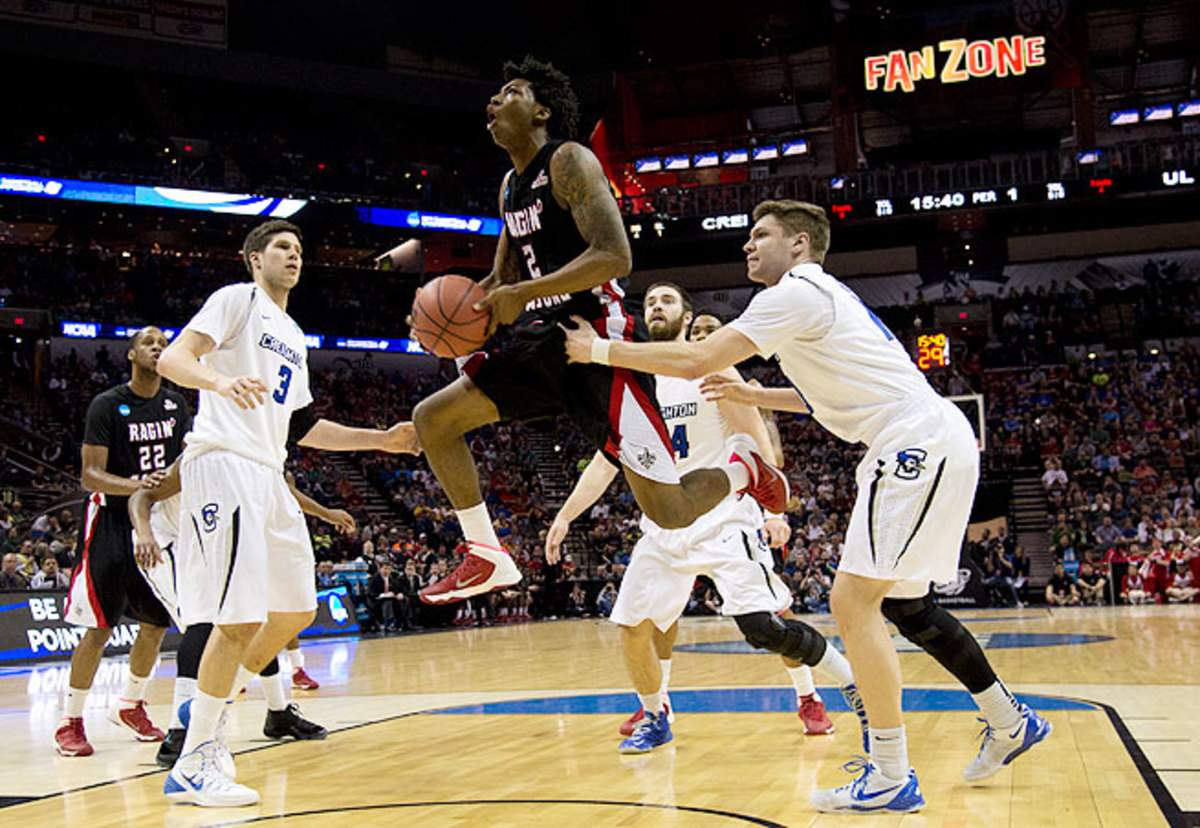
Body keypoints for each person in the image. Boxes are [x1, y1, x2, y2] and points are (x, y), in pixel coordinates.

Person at [561, 200, 1049, 813]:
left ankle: (891, 774)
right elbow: (822, 400)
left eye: (759, 235)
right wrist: (750, 392)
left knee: (851, 603)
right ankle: (1010, 720)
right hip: (927, 436)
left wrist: (599, 352)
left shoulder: (793, 293)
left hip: (910, 441)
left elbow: (694, 358)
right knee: (906, 604)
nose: (747, 246)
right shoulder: (817, 302)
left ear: (798, 245)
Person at [412, 56, 786, 607]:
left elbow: (615, 256)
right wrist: (454, 311)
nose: (493, 103)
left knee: (669, 509)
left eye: (509, 93)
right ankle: (486, 553)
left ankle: (742, 467)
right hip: (540, 340)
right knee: (433, 419)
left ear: (540, 111)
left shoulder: (569, 161)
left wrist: (522, 295)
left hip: (599, 343)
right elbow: (504, 277)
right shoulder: (510, 187)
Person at [156, 220, 420, 807]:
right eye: (281, 248)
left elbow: (302, 427)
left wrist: (382, 438)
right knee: (239, 619)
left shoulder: (294, 334)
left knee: (296, 608)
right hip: (224, 462)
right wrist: (219, 383)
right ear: (253, 258)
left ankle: (210, 700)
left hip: (269, 472)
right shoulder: (237, 300)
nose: (294, 257)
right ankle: (196, 759)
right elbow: (176, 358)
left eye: (300, 250)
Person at [547, 283, 859, 754]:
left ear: (686, 317)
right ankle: (656, 713)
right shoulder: (633, 383)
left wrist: (773, 510)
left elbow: (754, 439)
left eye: (668, 300)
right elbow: (607, 461)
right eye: (650, 301)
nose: (657, 307)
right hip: (664, 524)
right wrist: (567, 515)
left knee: (769, 622)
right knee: (632, 625)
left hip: (723, 520)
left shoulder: (710, 367)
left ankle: (821, 691)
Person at [130, 458, 357, 768]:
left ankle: (278, 712)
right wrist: (144, 534)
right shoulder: (200, 456)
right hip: (164, 541)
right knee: (203, 626)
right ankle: (178, 733)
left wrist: (325, 513)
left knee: (252, 616)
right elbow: (140, 496)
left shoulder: (252, 454)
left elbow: (283, 490)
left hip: (205, 538)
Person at [57, 327, 191, 758]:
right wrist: (135, 485)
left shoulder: (176, 404)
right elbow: (89, 476)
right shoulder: (107, 405)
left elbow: (184, 465)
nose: (158, 348)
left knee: (155, 622)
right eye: (150, 343)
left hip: (159, 521)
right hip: (111, 521)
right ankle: (70, 721)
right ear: (132, 354)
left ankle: (131, 705)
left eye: (165, 344)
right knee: (100, 626)